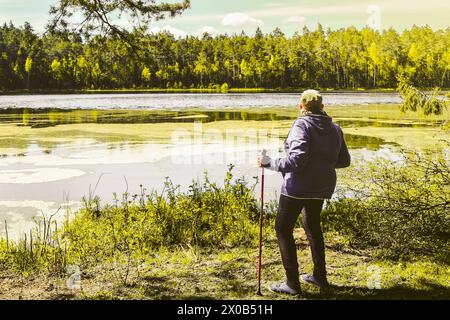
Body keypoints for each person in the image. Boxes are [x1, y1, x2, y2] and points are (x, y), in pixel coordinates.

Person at [258, 89, 351, 295]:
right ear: (322, 107)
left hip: (296, 187)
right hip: (322, 187)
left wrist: (269, 163)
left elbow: (296, 161)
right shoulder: (335, 129)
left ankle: (292, 283)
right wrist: (321, 165)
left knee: (282, 228)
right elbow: (344, 161)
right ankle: (319, 277)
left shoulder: (301, 124)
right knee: (312, 226)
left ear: (301, 106)